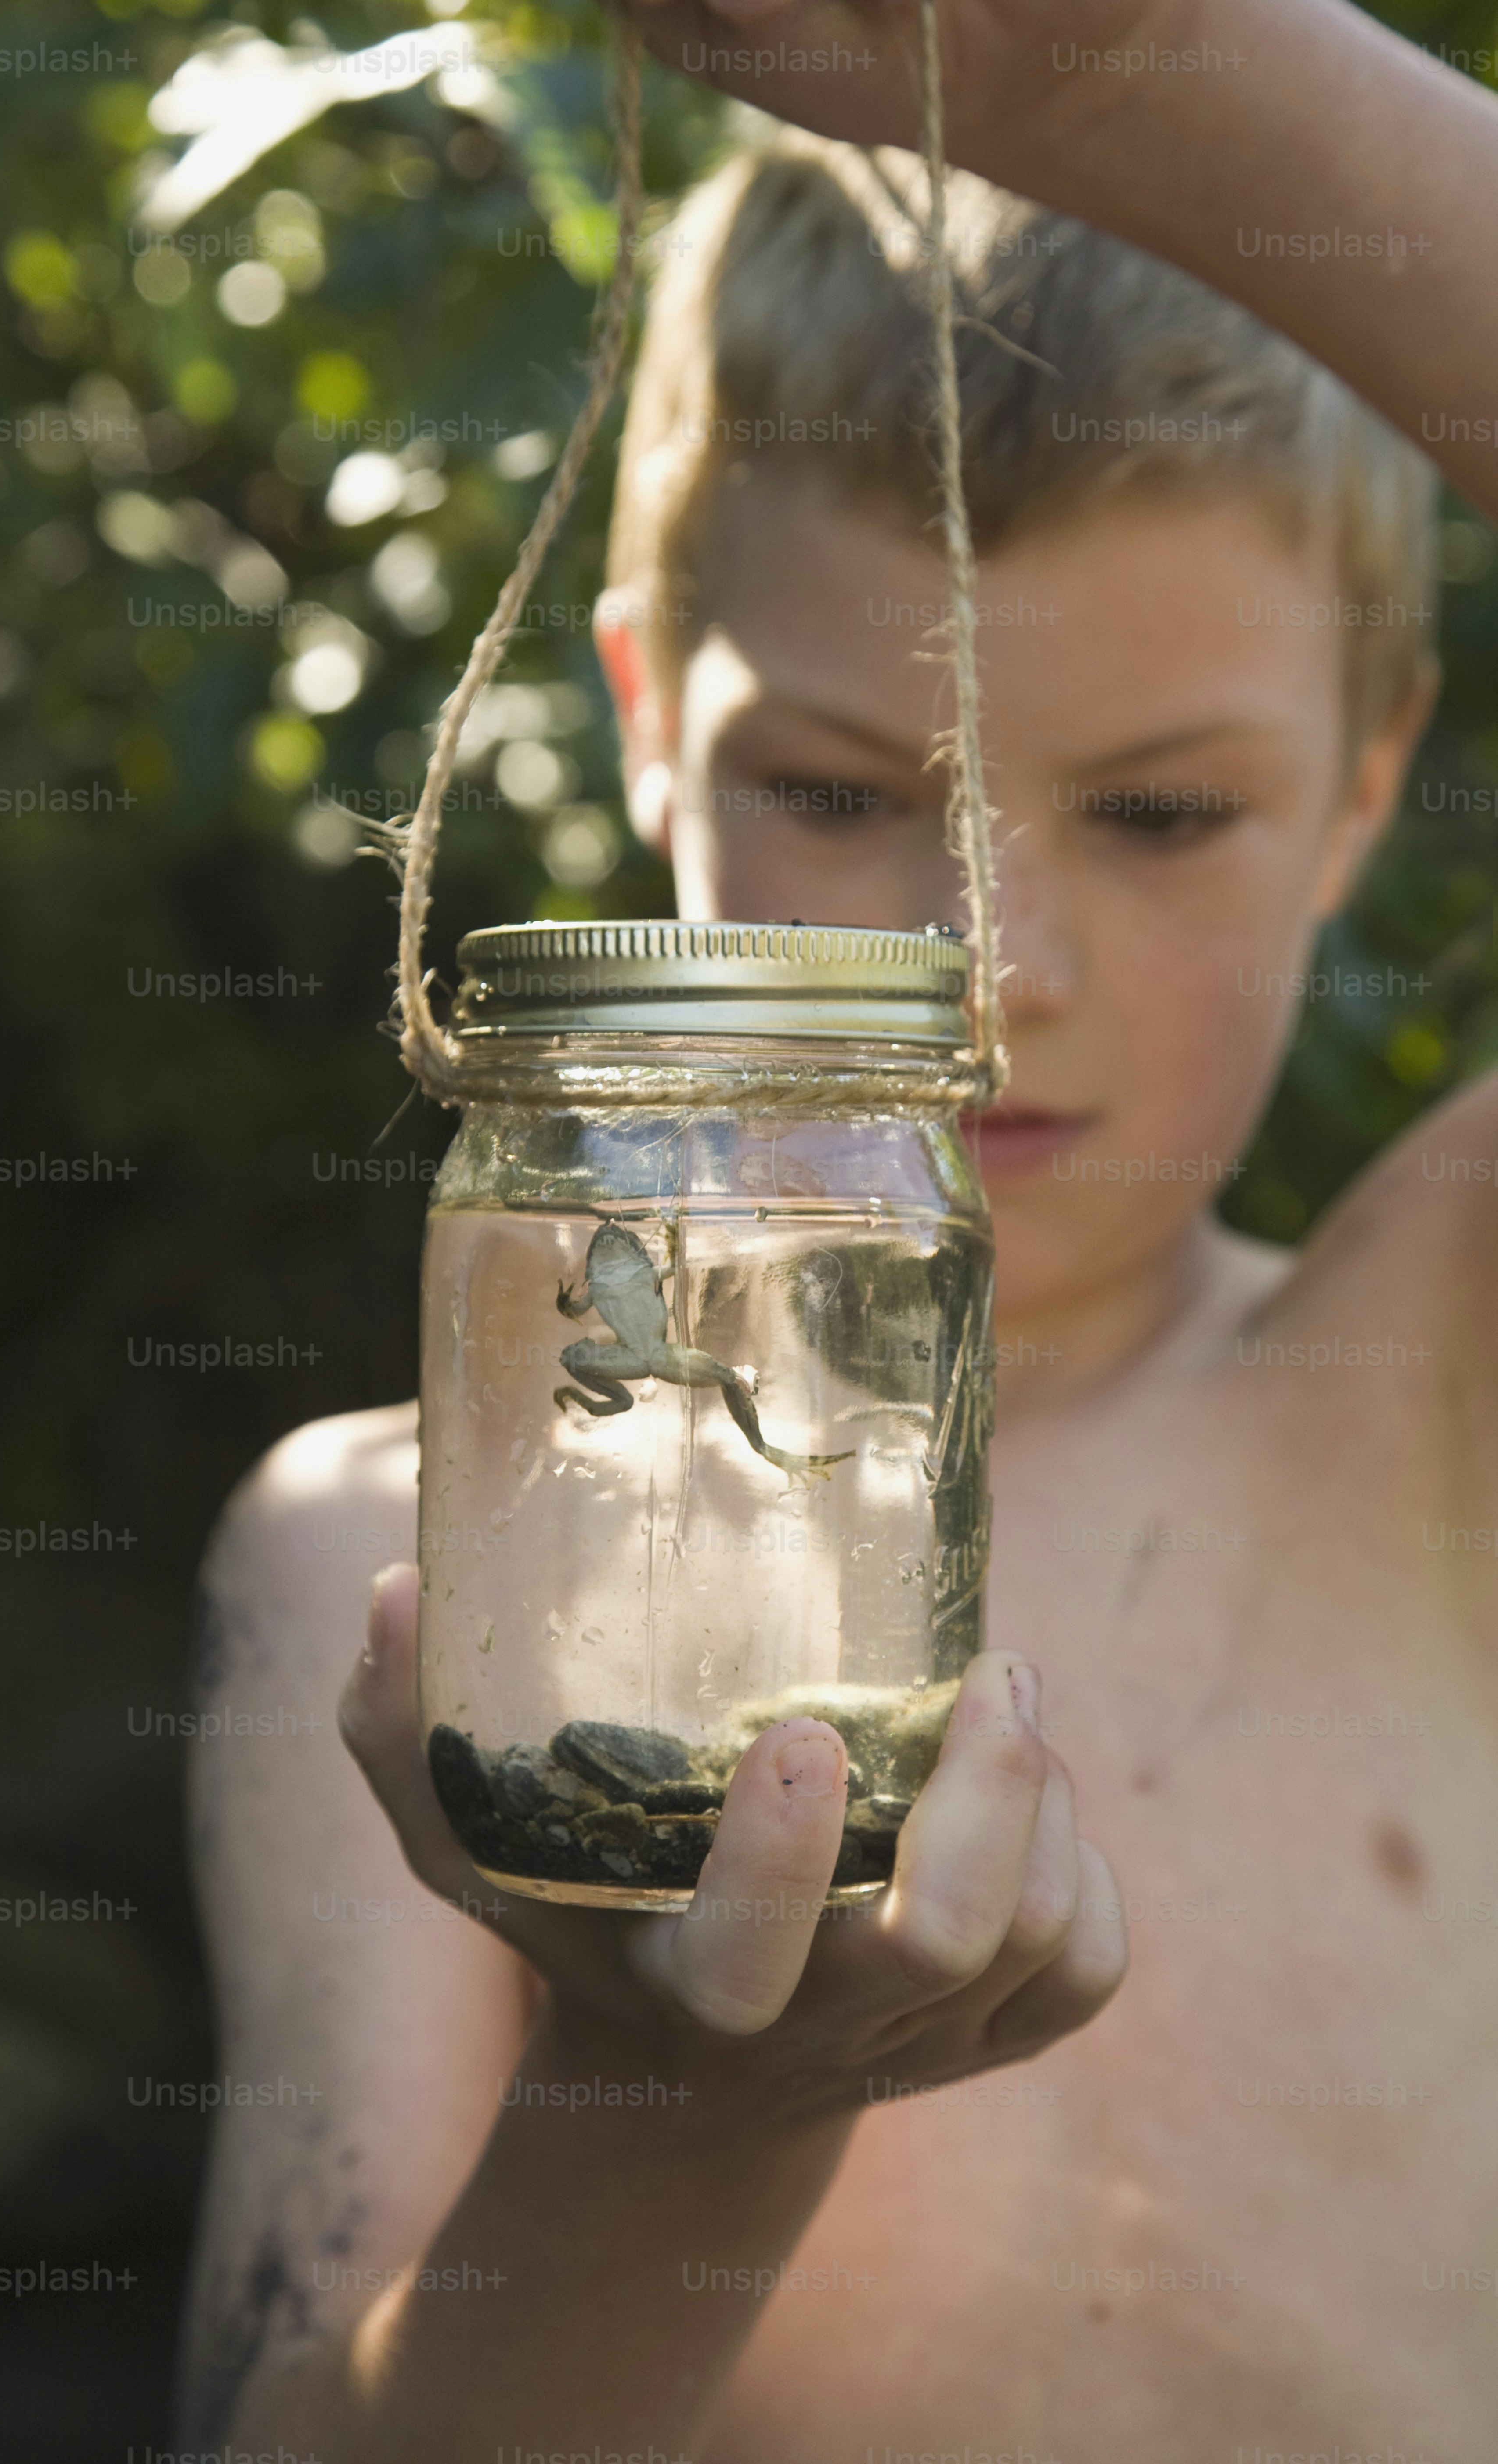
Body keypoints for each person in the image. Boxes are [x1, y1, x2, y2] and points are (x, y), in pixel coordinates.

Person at [177, 3, 1498, 2455]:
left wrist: (1133, 66)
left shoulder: (1444, 1395)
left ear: (1362, 788)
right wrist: (673, 2108)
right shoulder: (403, 1563)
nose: (993, 968)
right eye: (833, 789)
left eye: (1163, 814)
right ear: (645, 714)